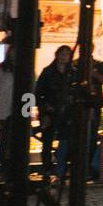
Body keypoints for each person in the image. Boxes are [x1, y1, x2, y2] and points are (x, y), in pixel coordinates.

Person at [34, 45, 76, 182]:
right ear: (57, 55)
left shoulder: (72, 72)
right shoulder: (48, 72)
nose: (65, 57)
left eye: (67, 54)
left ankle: (61, 170)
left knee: (65, 142)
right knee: (47, 142)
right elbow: (38, 94)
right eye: (62, 54)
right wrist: (45, 111)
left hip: (67, 113)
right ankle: (46, 170)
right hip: (50, 112)